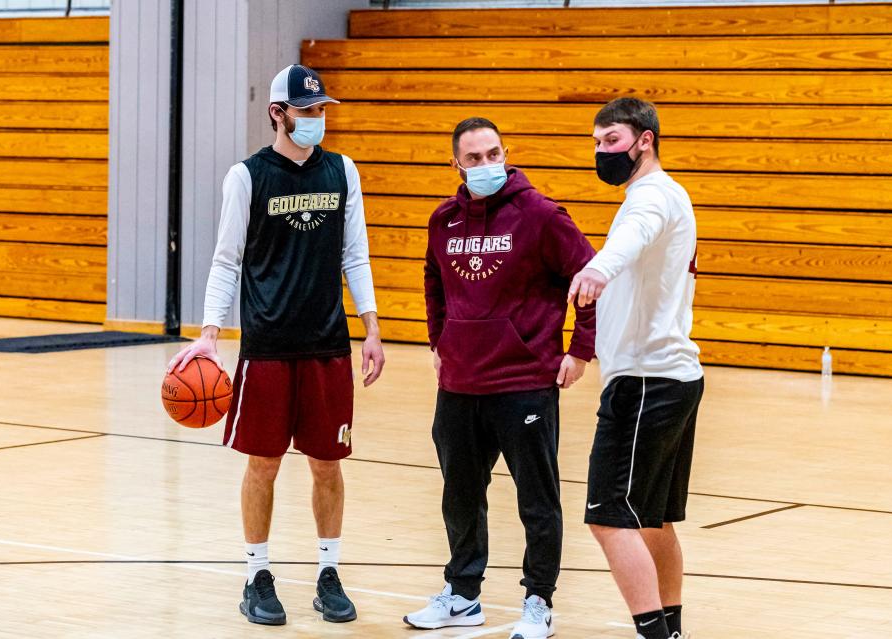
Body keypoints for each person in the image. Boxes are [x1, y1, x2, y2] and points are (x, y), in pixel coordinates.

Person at [167, 64, 385, 627]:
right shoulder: (247, 176)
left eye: (321, 111)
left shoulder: (342, 171)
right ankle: (256, 574)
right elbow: (225, 259)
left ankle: (328, 573)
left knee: (327, 467)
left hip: (327, 346)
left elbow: (354, 254)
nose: (317, 120)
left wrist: (372, 325)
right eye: (307, 111)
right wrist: (211, 333)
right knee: (262, 466)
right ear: (277, 113)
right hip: (266, 347)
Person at [404, 117, 596, 639]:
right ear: (456, 165)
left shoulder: (541, 215)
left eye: (494, 155)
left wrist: (581, 350)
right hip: (460, 385)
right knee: (460, 494)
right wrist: (438, 341)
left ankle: (539, 601)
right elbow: (433, 282)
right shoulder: (443, 221)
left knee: (537, 498)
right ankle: (464, 595)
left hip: (524, 381)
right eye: (474, 158)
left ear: (506, 154)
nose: (487, 165)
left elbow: (591, 277)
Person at [568, 97, 704, 639]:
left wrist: (598, 268)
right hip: (674, 378)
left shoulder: (652, 197)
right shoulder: (667, 195)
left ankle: (654, 636)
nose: (603, 152)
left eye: (613, 141)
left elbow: (630, 240)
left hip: (647, 382)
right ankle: (671, 631)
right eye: (597, 143)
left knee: (608, 518)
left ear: (645, 139)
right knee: (653, 521)